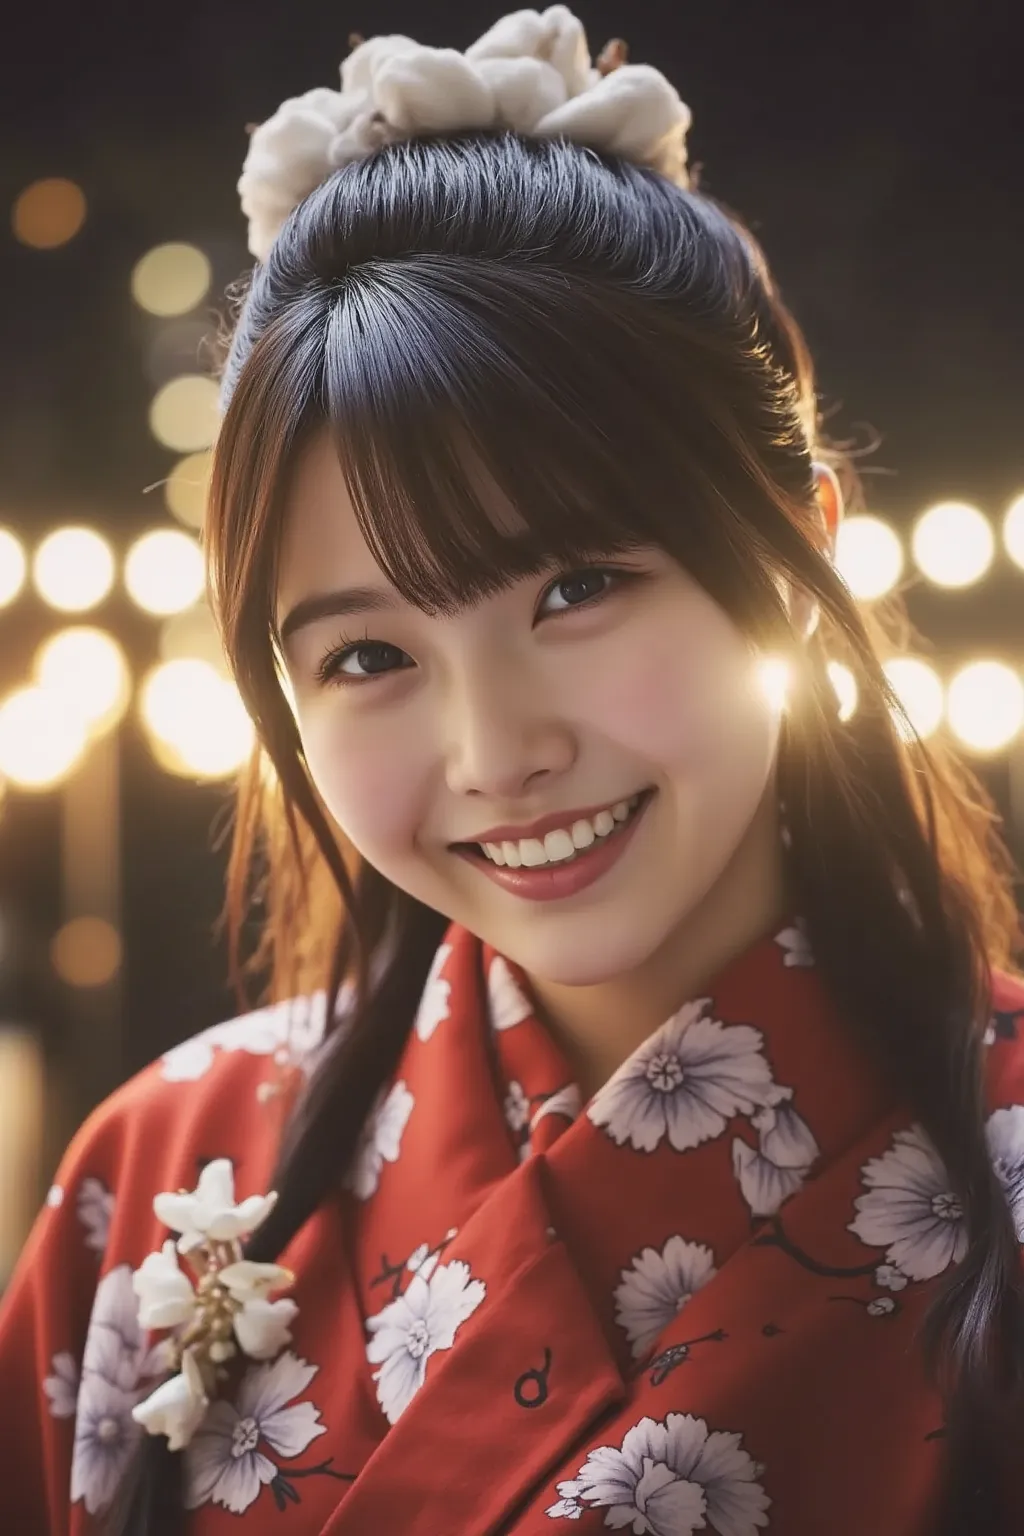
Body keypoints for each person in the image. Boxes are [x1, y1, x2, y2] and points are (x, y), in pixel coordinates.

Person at [2, 7, 1023, 1533]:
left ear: (797, 545)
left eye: (576, 590)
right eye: (366, 657)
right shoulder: (164, 1164)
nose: (499, 756)